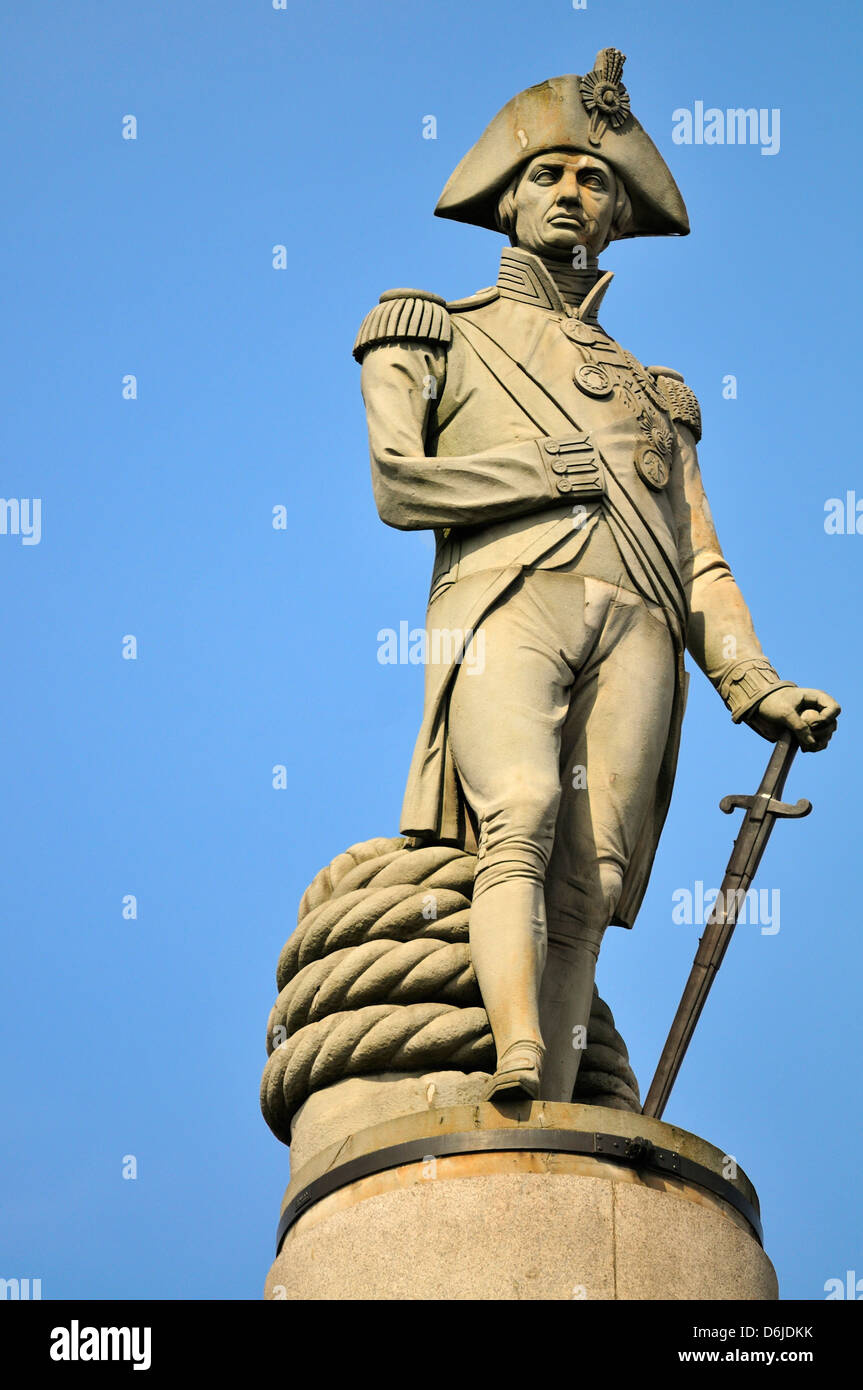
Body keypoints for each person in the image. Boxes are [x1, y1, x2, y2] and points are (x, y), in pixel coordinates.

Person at [353, 49, 840, 1103]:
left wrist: (753, 683)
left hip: (641, 628)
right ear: (505, 198)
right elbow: (399, 484)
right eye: (548, 175)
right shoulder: (431, 329)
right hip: (507, 598)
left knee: (595, 879)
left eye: (592, 181)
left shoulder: (653, 393)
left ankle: (559, 1095)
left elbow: (700, 559)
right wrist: (534, 469)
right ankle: (514, 1059)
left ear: (616, 214)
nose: (571, 194)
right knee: (519, 811)